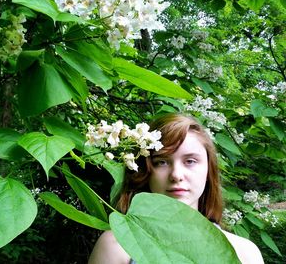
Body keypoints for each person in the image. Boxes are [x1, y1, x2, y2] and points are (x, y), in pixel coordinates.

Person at [88, 113, 264, 264]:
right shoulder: (116, 247)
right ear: (145, 170)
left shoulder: (246, 253)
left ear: (208, 170)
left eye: (190, 161)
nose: (176, 175)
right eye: (161, 162)